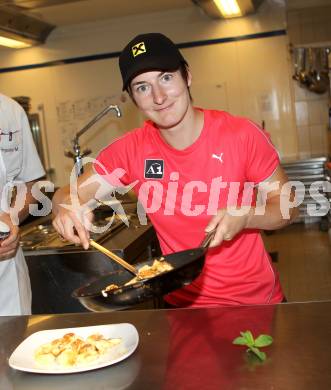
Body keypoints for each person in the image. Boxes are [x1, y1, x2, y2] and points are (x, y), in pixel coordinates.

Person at [52, 33, 298, 307]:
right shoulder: (130, 151)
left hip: (256, 303)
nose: (159, 97)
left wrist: (247, 215)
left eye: (166, 78)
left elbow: (287, 208)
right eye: (142, 87)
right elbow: (66, 195)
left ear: (187, 76)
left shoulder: (241, 135)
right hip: (183, 309)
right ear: (133, 98)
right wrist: (66, 207)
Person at [0, 93, 45, 315]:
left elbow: (32, 185)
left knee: (15, 345)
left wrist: (12, 218)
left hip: (8, 272)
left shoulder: (10, 111)